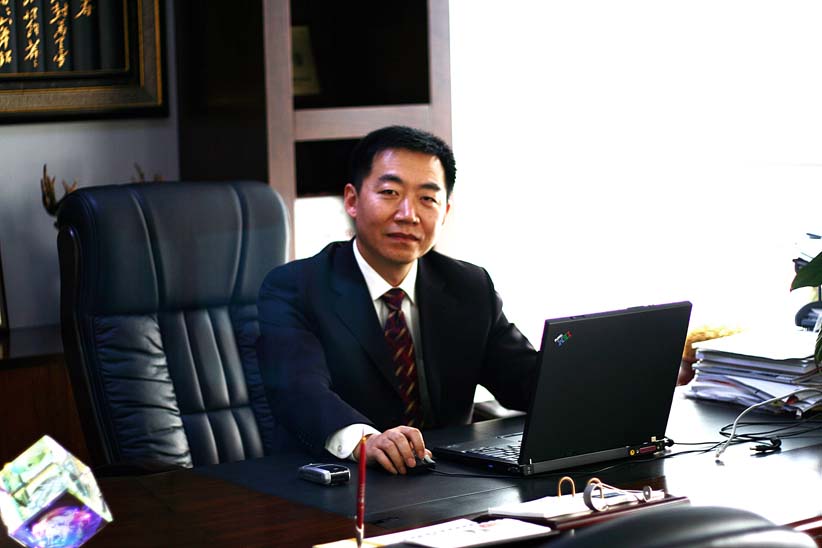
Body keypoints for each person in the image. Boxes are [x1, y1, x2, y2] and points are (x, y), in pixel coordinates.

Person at [257, 126, 537, 474]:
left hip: (448, 481)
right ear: (352, 200)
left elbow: (525, 382)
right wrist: (366, 441)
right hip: (335, 481)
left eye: (427, 199)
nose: (408, 214)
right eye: (390, 192)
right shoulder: (296, 287)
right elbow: (299, 390)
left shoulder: (469, 286)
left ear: (445, 211)